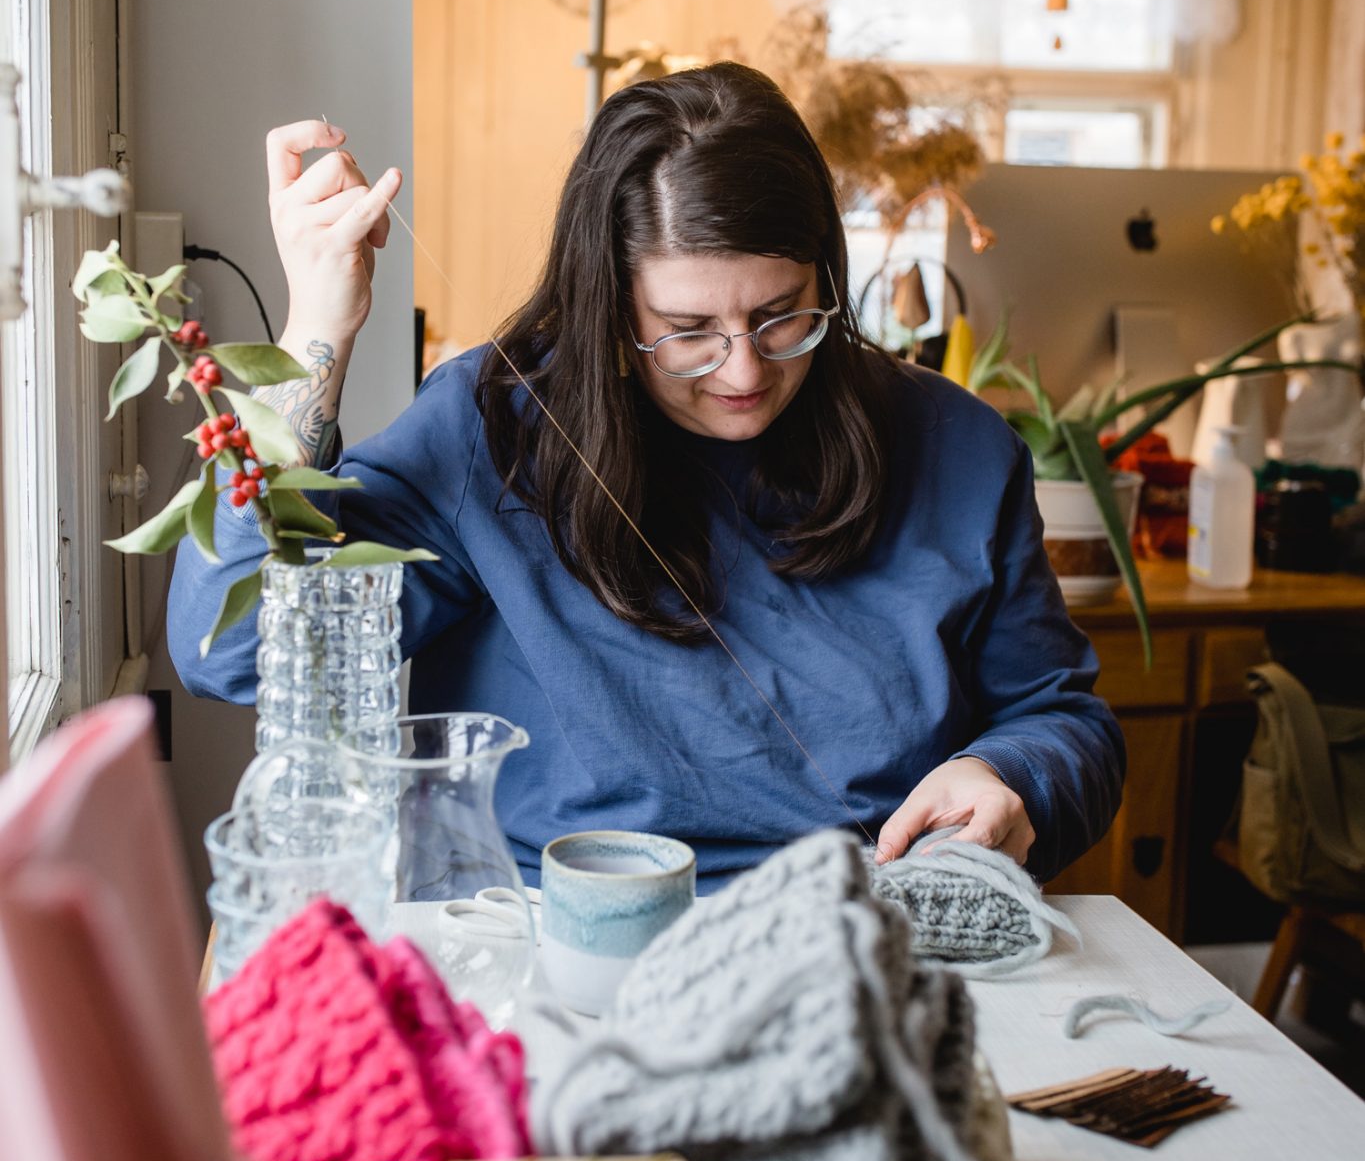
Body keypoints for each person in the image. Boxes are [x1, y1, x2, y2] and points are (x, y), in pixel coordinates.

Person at [169, 63, 1124, 890]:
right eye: (688, 333)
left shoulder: (954, 445)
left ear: (827, 274)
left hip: (872, 931)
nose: (745, 371)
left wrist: (1011, 777)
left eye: (782, 315)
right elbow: (237, 650)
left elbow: (1061, 715)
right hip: (565, 937)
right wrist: (316, 335)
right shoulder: (490, 429)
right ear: (607, 309)